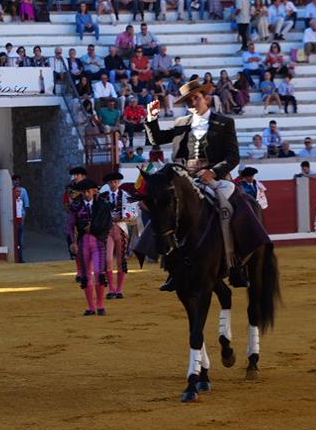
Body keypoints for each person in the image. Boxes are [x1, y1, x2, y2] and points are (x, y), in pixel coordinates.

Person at [145, 77, 246, 288]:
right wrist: (152, 119)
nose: (193, 103)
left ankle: (237, 264)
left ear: (206, 98)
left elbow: (232, 157)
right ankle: (172, 267)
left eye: (196, 98)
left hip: (215, 178)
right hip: (187, 178)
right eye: (189, 100)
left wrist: (213, 171)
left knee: (231, 207)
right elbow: (156, 139)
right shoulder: (181, 124)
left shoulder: (225, 122)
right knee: (165, 208)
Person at [70, 177, 112, 316]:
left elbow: (107, 225)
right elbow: (70, 225)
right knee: (86, 276)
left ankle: (100, 305)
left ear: (94, 191)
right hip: (83, 244)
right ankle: (91, 307)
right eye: (83, 192)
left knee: (100, 274)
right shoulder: (76, 205)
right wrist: (73, 242)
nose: (86, 194)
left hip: (98, 243)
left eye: (88, 191)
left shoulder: (102, 204)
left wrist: (93, 228)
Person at [102, 171, 130, 299]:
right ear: (108, 183)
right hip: (107, 230)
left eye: (115, 182)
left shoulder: (126, 196)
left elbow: (133, 214)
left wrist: (123, 216)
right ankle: (111, 289)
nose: (113, 184)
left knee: (121, 260)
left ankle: (119, 289)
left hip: (121, 228)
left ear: (119, 183)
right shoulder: (102, 197)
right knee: (108, 260)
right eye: (111, 182)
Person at [11, 172, 29, 263]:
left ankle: (20, 257)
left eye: (18, 180)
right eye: (15, 180)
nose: (17, 182)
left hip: (20, 216)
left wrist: (24, 216)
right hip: (12, 217)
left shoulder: (23, 191)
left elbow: (26, 205)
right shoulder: (10, 190)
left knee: (20, 238)